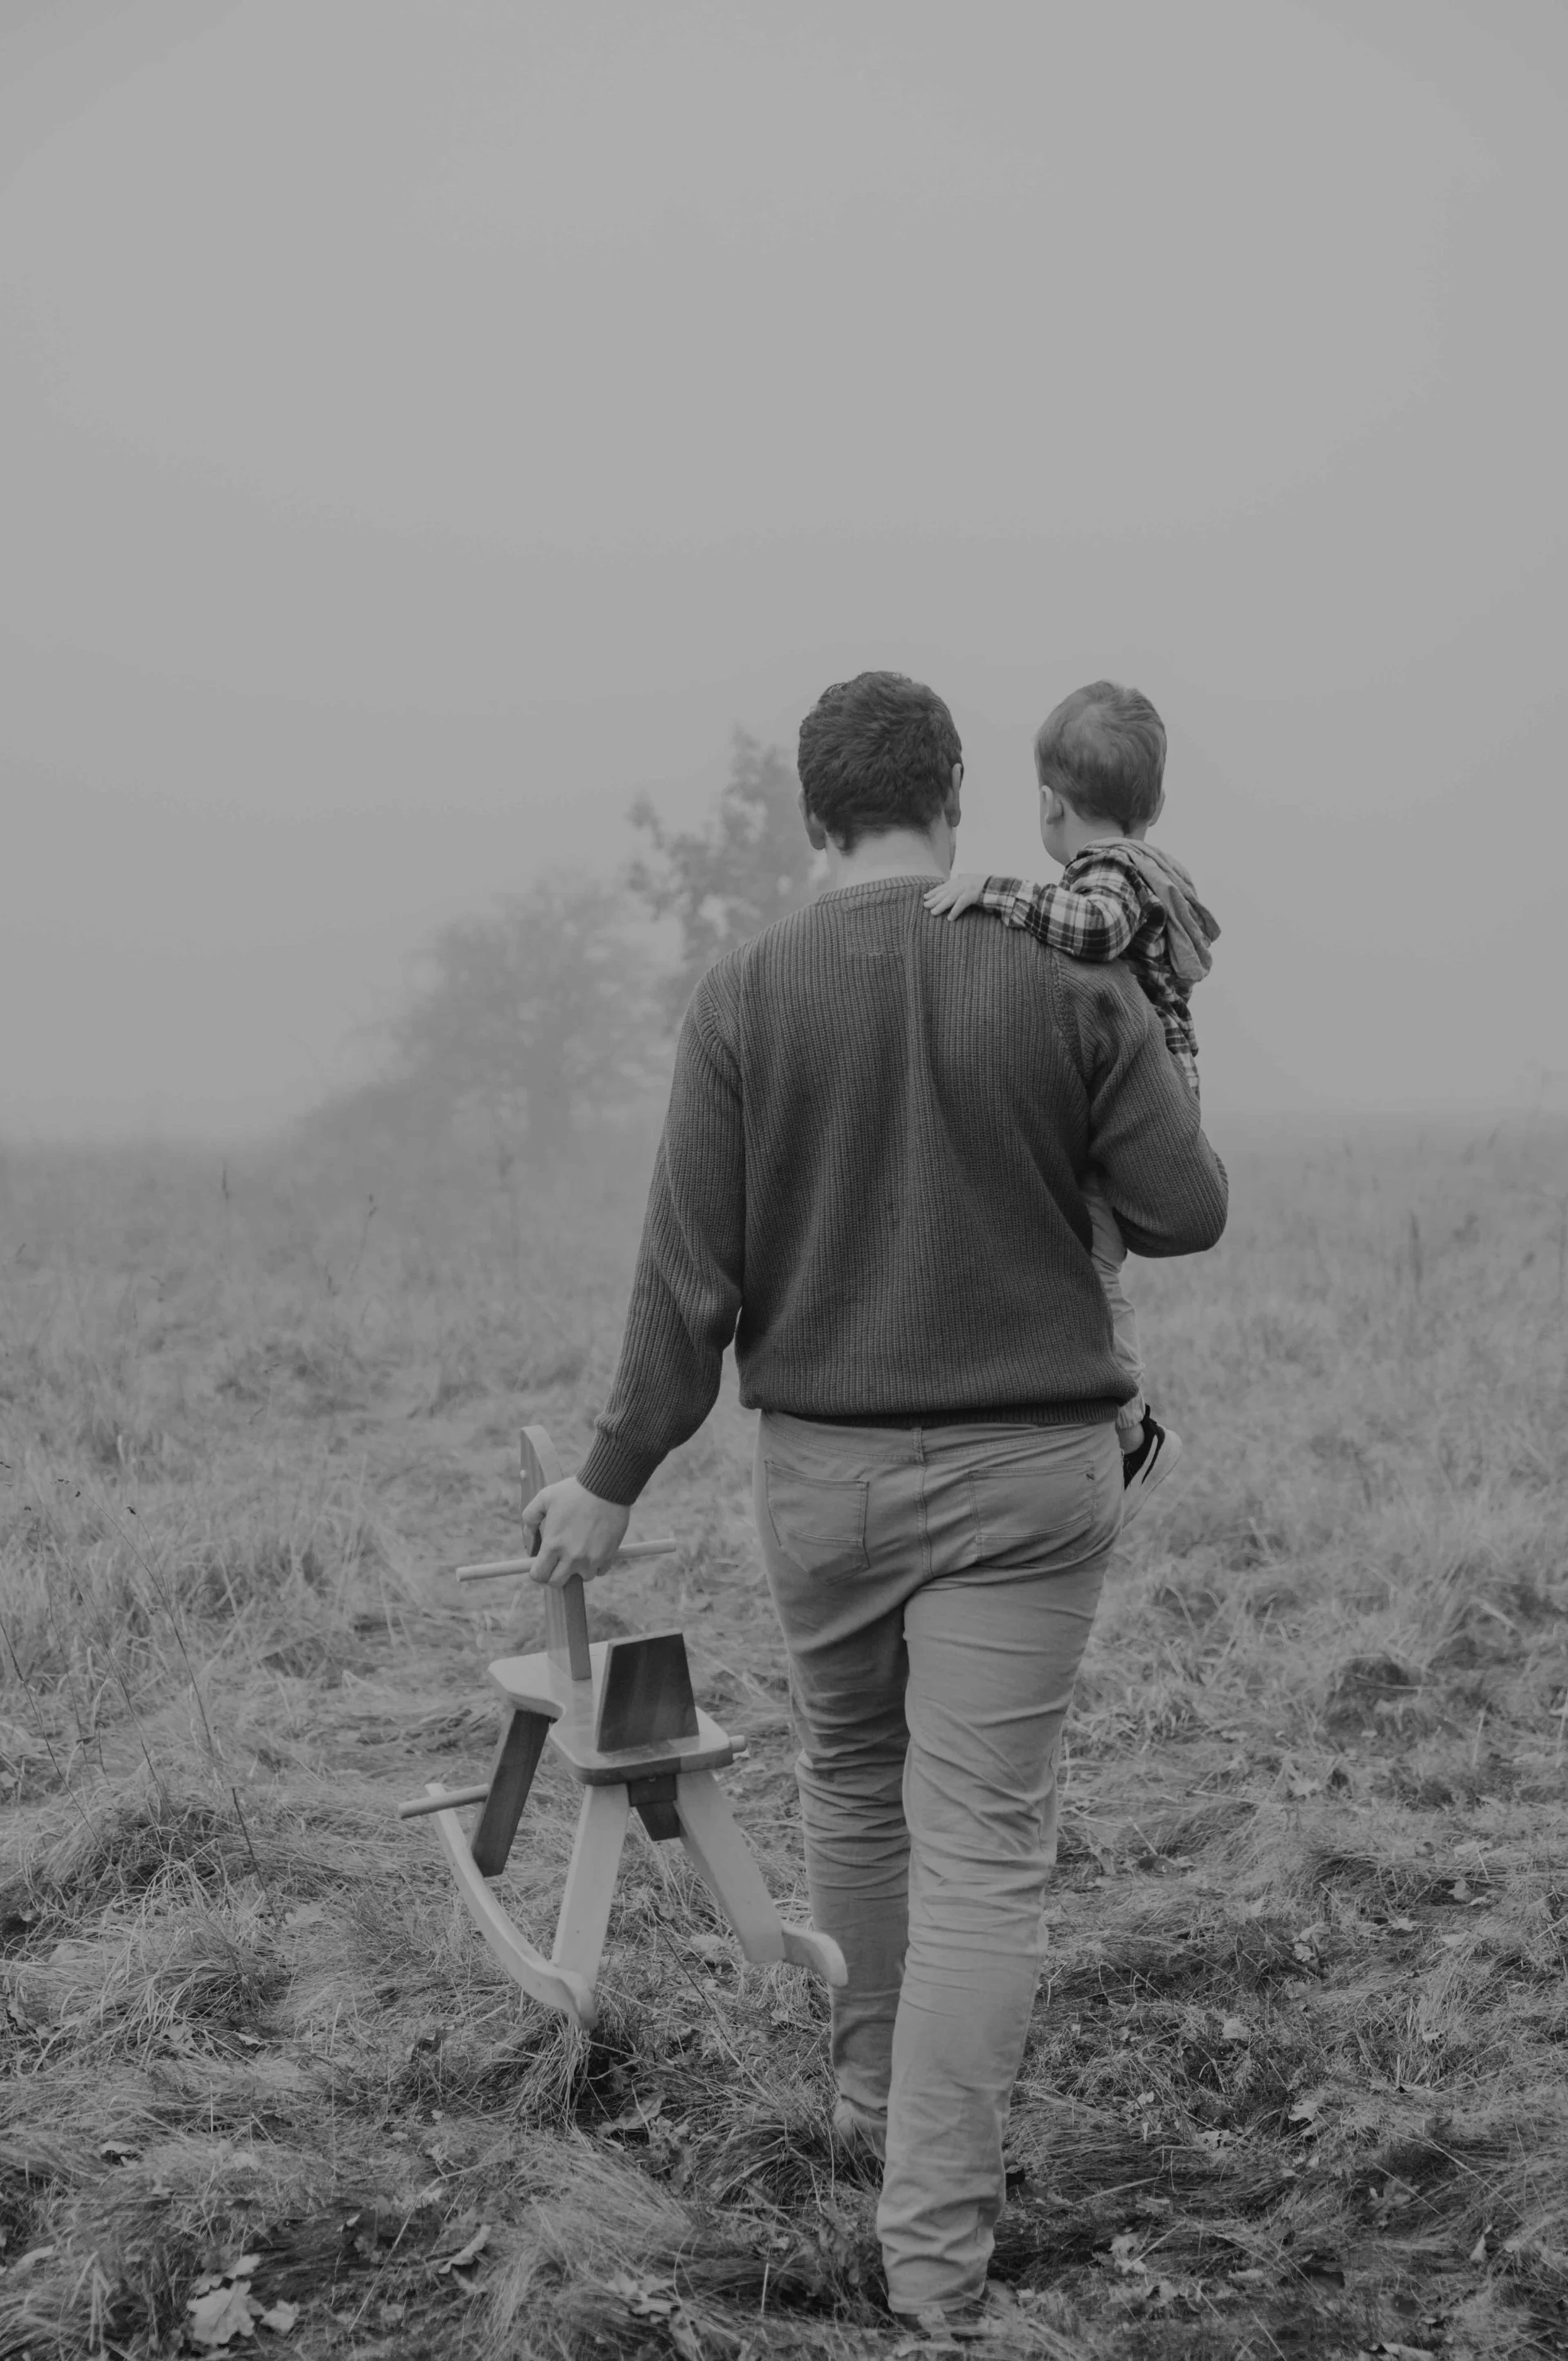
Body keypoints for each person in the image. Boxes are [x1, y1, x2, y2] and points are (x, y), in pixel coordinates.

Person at [521, 671, 1227, 2324]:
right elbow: (1184, 1205)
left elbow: (686, 1284)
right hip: (1032, 1474)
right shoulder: (1060, 966)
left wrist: (610, 1482)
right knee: (981, 1844)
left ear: (810, 810)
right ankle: (934, 2260)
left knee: (851, 1768)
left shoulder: (743, 991)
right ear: (956, 797)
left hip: (823, 1480)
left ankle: (859, 2091)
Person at [925, 681, 1219, 1520]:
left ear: (1051, 805)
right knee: (1083, 1258)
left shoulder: (1113, 878)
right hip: (1147, 1095)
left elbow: (1091, 930)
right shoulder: (1140, 865)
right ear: (1153, 801)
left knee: (1092, 1267)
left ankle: (1130, 1428)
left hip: (1146, 1105)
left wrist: (996, 893)